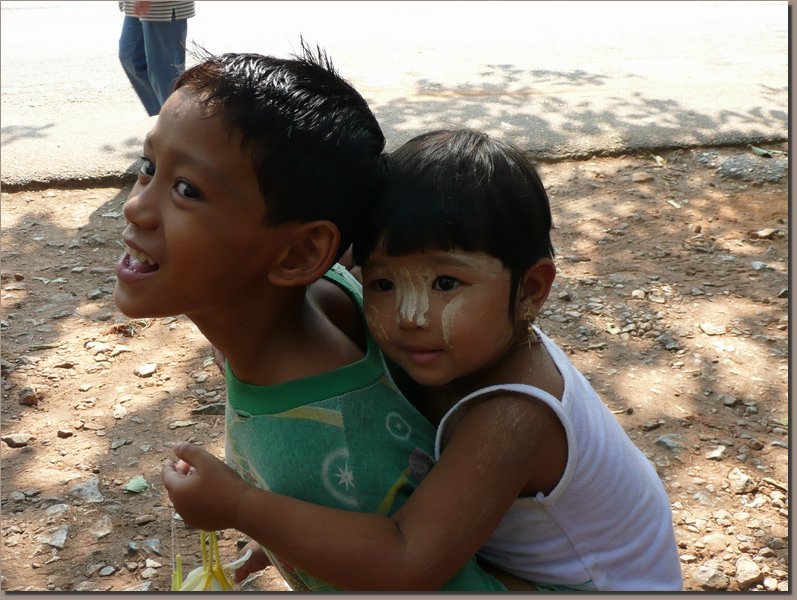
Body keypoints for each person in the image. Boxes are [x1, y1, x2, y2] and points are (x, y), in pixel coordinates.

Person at [162, 129, 684, 591]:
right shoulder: (469, 350)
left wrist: (242, 508)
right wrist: (291, 542)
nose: (410, 316)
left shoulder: (514, 414)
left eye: (446, 283)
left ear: (531, 288)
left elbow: (407, 561)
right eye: (384, 283)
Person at [114, 48, 506, 592]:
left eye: (188, 190)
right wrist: (279, 542)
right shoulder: (328, 293)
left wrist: (248, 510)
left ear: (298, 254)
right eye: (148, 168)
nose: (136, 207)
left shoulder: (321, 449)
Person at [118, 0, 195, 116]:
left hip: (161, 6)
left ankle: (177, 121)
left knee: (165, 73)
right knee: (131, 58)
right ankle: (164, 118)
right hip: (135, 4)